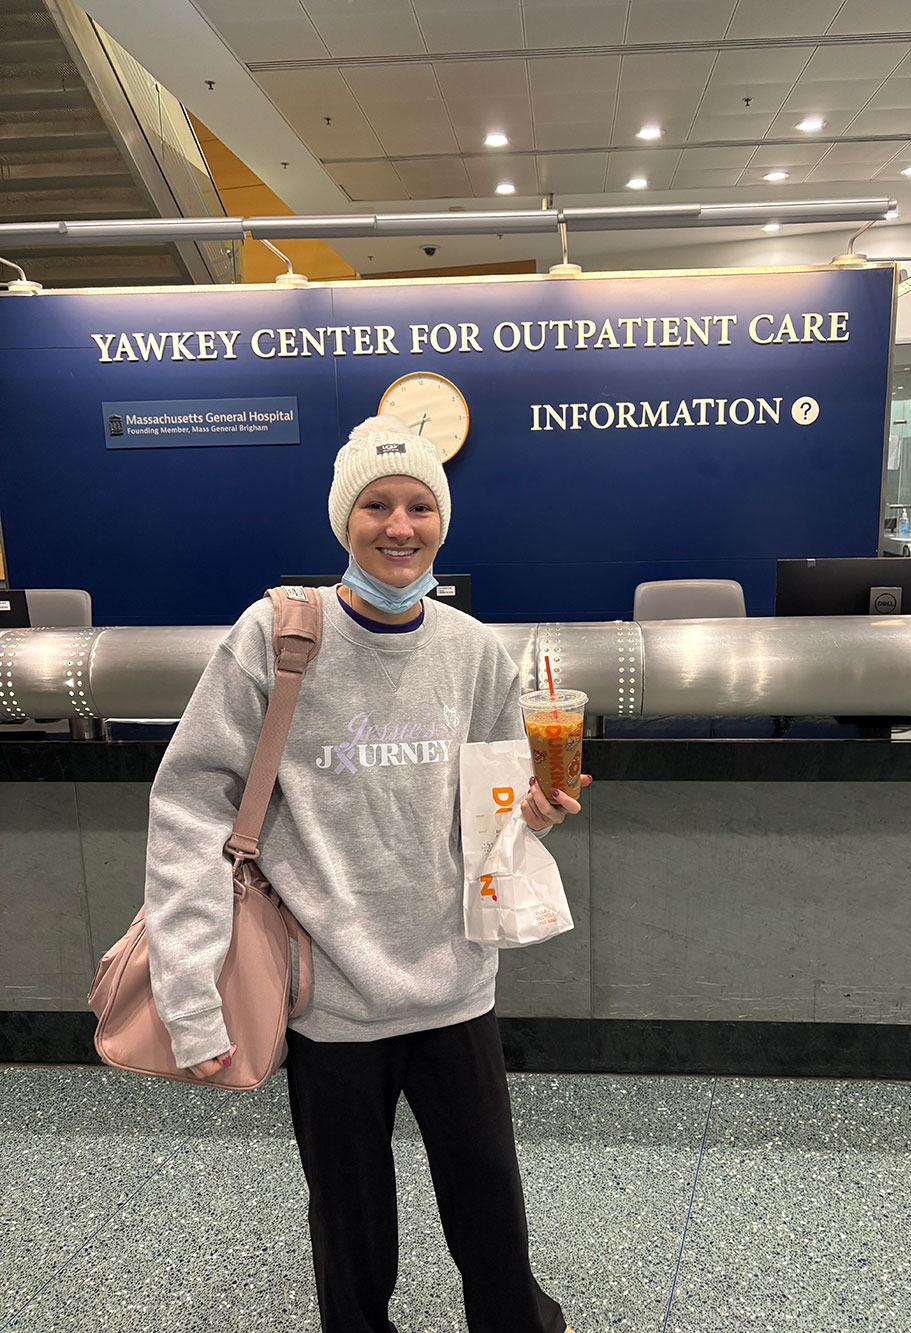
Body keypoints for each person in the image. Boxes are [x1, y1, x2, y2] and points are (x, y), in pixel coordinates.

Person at [143, 414, 590, 1333]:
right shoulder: (276, 634)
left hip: (454, 982)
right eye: (376, 505)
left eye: (420, 505)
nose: (400, 526)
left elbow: (498, 808)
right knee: (350, 1223)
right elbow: (189, 807)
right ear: (344, 519)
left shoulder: (475, 651)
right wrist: (189, 995)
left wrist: (534, 813)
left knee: (490, 1205)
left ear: (443, 519)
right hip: (331, 992)